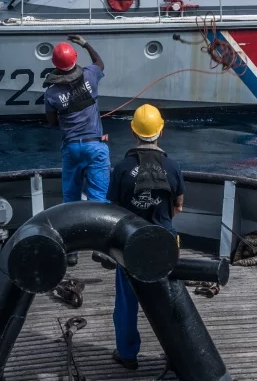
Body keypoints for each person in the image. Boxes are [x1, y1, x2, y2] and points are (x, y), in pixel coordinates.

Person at [107, 104, 186, 371]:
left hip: (130, 246)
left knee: (127, 304)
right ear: (160, 130)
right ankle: (177, 354)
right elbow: (178, 206)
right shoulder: (173, 167)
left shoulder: (120, 169)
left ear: (133, 131)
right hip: (165, 244)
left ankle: (127, 355)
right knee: (170, 301)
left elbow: (114, 210)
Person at [44, 34, 109, 265]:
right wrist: (85, 43)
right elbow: (100, 63)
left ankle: (71, 251)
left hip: (72, 148)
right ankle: (100, 249)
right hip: (95, 146)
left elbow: (51, 123)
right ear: (75, 59)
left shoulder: (51, 93)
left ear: (54, 64)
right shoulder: (90, 76)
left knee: (70, 199)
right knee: (98, 199)